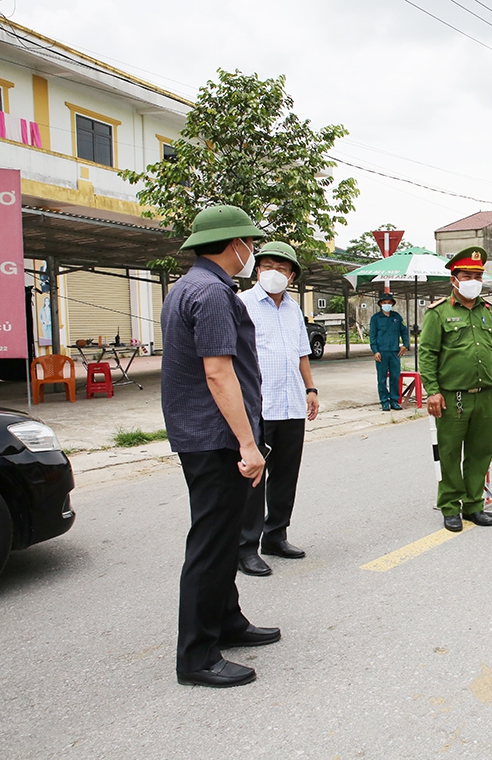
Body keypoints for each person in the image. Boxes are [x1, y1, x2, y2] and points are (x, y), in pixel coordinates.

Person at [160, 205, 278, 688]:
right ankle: (197, 656)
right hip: (216, 438)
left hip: (203, 433)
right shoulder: (210, 292)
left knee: (225, 534)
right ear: (235, 245)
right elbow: (218, 371)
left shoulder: (189, 285)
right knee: (211, 544)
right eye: (249, 243)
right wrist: (248, 444)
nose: (251, 252)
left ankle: (227, 621)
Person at [236, 242, 320, 577]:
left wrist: (310, 389)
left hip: (290, 403)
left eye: (282, 269)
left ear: (292, 275)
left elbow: (302, 352)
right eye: (267, 266)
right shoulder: (241, 304)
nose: (274, 273)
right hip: (257, 406)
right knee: (255, 479)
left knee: (286, 474)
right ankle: (246, 547)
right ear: (257, 271)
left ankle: (276, 535)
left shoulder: (293, 309)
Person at [419, 246, 492, 532]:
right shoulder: (438, 314)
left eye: (478, 275)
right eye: (467, 274)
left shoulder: (490, 313)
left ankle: (473, 505)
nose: (473, 280)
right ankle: (450, 506)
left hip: (484, 395)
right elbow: (427, 354)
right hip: (452, 397)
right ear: (454, 279)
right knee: (449, 453)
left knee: (480, 452)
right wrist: (432, 390)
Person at [370, 291, 410, 411]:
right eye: (384, 302)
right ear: (380, 304)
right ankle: (384, 401)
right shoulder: (375, 318)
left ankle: (394, 401)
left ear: (392, 304)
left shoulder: (396, 317)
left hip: (394, 352)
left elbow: (404, 331)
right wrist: (375, 351)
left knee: (395, 377)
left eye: (389, 302)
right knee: (382, 379)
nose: (387, 304)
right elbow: (372, 336)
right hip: (381, 352)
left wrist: (405, 345)